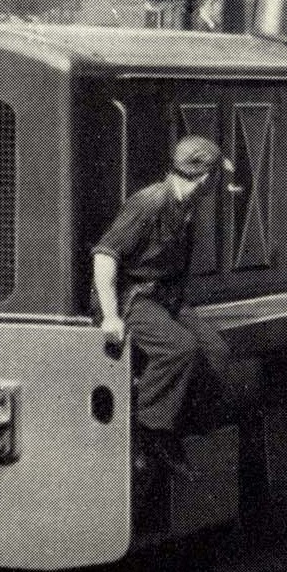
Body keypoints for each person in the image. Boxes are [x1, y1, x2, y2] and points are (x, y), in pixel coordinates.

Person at [93, 134, 233, 477]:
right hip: (132, 297)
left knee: (216, 350)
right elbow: (104, 256)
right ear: (206, 178)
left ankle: (179, 427)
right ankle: (151, 430)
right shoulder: (150, 204)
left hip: (164, 298)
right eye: (219, 176)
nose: (222, 184)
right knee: (178, 348)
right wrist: (110, 316)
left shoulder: (186, 206)